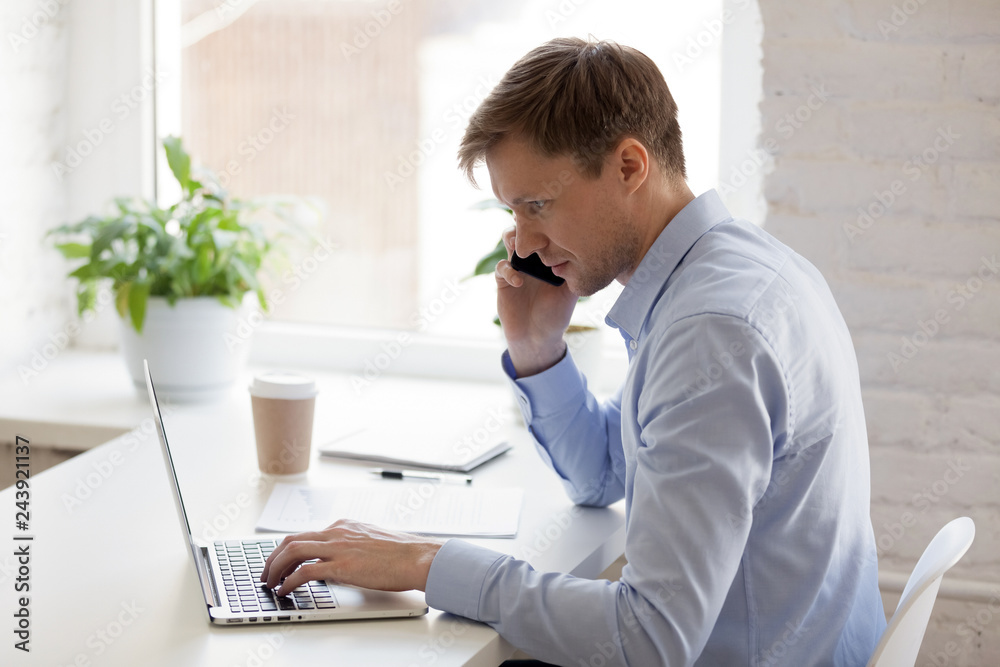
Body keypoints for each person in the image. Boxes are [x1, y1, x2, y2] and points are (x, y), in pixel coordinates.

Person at [262, 37, 887, 665]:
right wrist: (538, 349)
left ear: (628, 166)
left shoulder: (712, 331)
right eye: (512, 210)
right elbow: (603, 475)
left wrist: (426, 562)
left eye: (539, 205)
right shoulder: (728, 272)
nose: (524, 243)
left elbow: (649, 639)